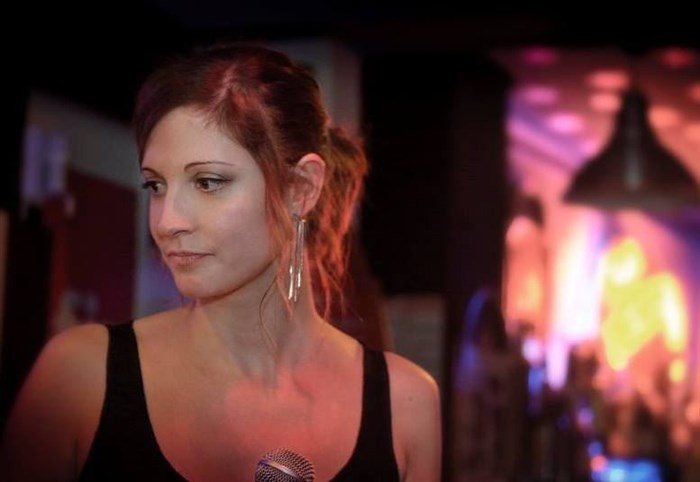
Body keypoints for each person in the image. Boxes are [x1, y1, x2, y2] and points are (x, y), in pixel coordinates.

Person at [0, 42, 441, 481]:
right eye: (156, 186)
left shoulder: (405, 404)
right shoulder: (80, 378)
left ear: (301, 188)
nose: (167, 222)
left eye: (208, 182)